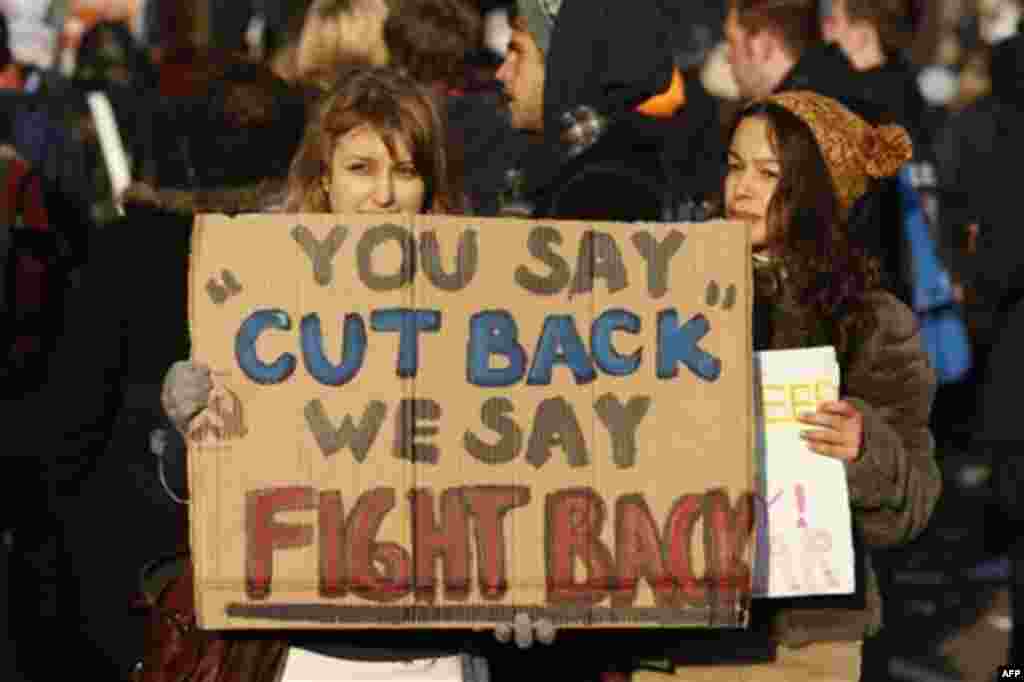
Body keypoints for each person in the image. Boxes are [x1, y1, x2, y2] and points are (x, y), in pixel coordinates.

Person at [158, 66, 494, 682]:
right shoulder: (259, 301)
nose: (385, 195)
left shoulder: (483, 313)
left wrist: (536, 587)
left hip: (438, 655)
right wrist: (188, 425)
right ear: (325, 181)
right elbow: (210, 496)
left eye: (407, 171)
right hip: (307, 655)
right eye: (361, 168)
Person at [4, 59, 309, 680]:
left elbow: (67, 430)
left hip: (134, 591)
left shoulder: (128, 251)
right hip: (273, 572)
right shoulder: (310, 257)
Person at [631, 90, 942, 681]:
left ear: (817, 192)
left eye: (769, 173)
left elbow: (915, 503)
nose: (742, 188)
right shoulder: (665, 293)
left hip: (805, 643)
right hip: (683, 631)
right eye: (734, 165)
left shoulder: (871, 321)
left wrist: (865, 450)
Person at [494, 0, 722, 223]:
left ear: (562, 64)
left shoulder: (603, 186)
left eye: (518, 52)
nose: (501, 73)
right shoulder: (548, 166)